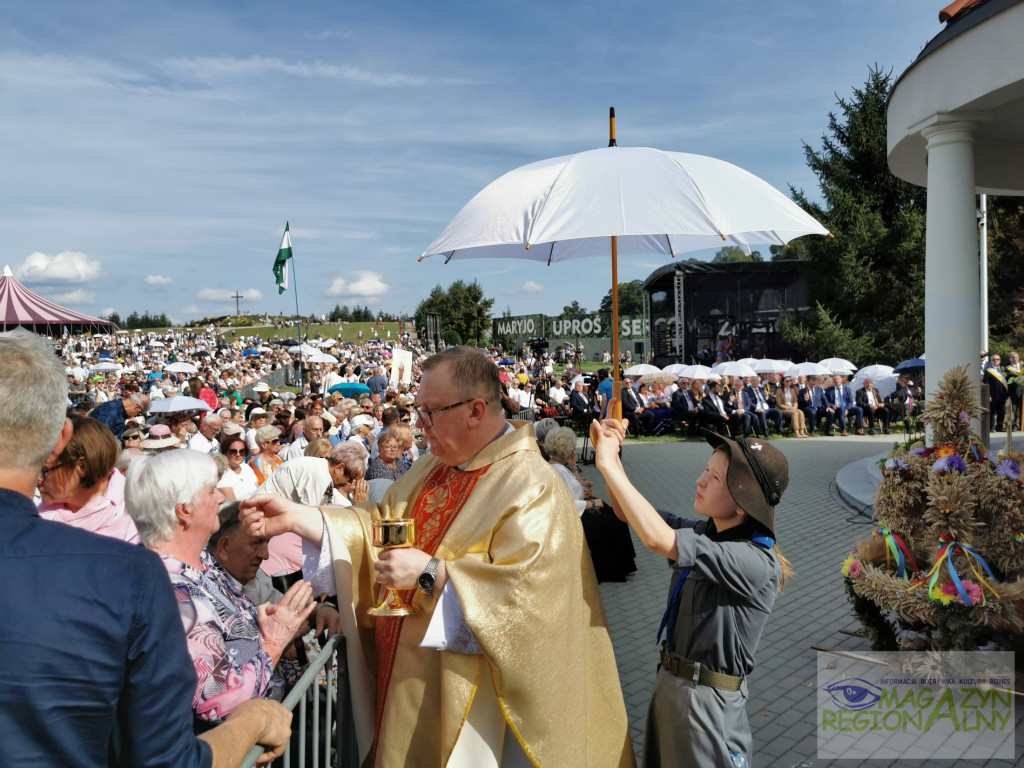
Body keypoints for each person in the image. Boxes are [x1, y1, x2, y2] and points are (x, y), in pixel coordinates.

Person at [241, 346, 634, 768]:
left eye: (430, 412)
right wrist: (301, 517)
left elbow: (531, 601)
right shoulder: (433, 466)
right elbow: (377, 525)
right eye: (418, 411)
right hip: (412, 676)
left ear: (476, 410)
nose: (419, 423)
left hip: (483, 706)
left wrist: (431, 573)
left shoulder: (531, 484)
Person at [0, 328, 291, 767]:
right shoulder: (125, 574)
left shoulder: (127, 570)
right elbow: (166, 759)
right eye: (210, 491)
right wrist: (253, 721)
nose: (219, 497)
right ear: (61, 439)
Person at [591, 406, 792, 767]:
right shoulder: (707, 533)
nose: (700, 480)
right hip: (672, 687)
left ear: (744, 504)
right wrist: (613, 456)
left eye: (715, 478)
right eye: (706, 469)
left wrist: (606, 464)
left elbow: (656, 538)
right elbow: (628, 512)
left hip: (706, 704)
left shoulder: (757, 562)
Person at [125, 449, 317, 724]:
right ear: (184, 511)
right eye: (211, 490)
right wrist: (274, 641)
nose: (221, 497)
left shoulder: (200, 562)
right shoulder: (172, 592)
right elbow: (219, 701)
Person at [544, 426, 636, 583]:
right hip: (574, 518)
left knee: (613, 513)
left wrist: (574, 467)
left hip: (576, 512)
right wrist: (592, 503)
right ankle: (617, 567)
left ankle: (626, 562)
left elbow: (573, 489)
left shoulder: (556, 466)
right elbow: (567, 503)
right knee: (613, 521)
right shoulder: (558, 470)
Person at [37, 413, 139, 543]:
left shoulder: (139, 515)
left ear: (82, 466)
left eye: (44, 471)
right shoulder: (40, 517)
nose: (37, 481)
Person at [218, 434, 260, 501]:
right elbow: (232, 504)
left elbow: (258, 492)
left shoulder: (246, 467)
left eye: (241, 451)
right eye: (233, 451)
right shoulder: (222, 472)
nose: (238, 455)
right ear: (225, 453)